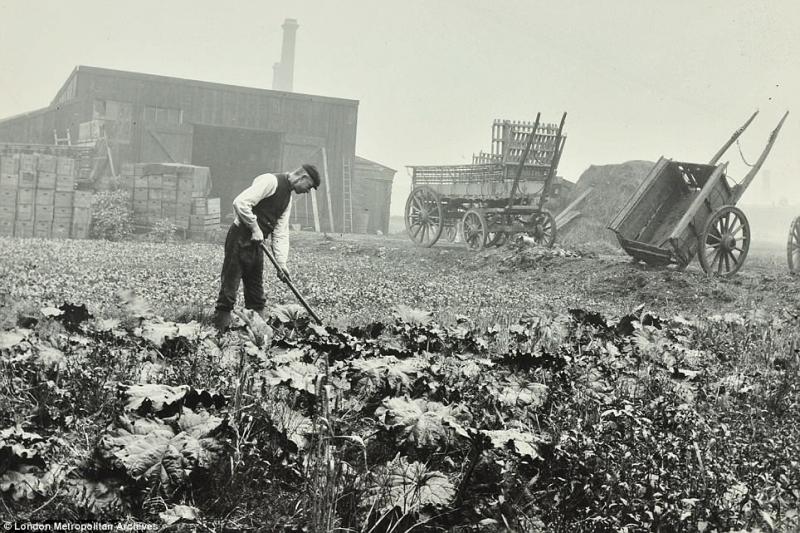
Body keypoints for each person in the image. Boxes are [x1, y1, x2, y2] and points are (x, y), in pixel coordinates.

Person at [213, 164, 320, 330]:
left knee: (256, 291)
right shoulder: (271, 181)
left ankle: (259, 332)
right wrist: (255, 228)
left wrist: (282, 264)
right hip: (240, 238)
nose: (308, 191)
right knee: (230, 287)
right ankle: (220, 331)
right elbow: (240, 202)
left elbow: (281, 232)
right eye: (309, 187)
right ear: (303, 177)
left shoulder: (288, 198)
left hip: (257, 244)